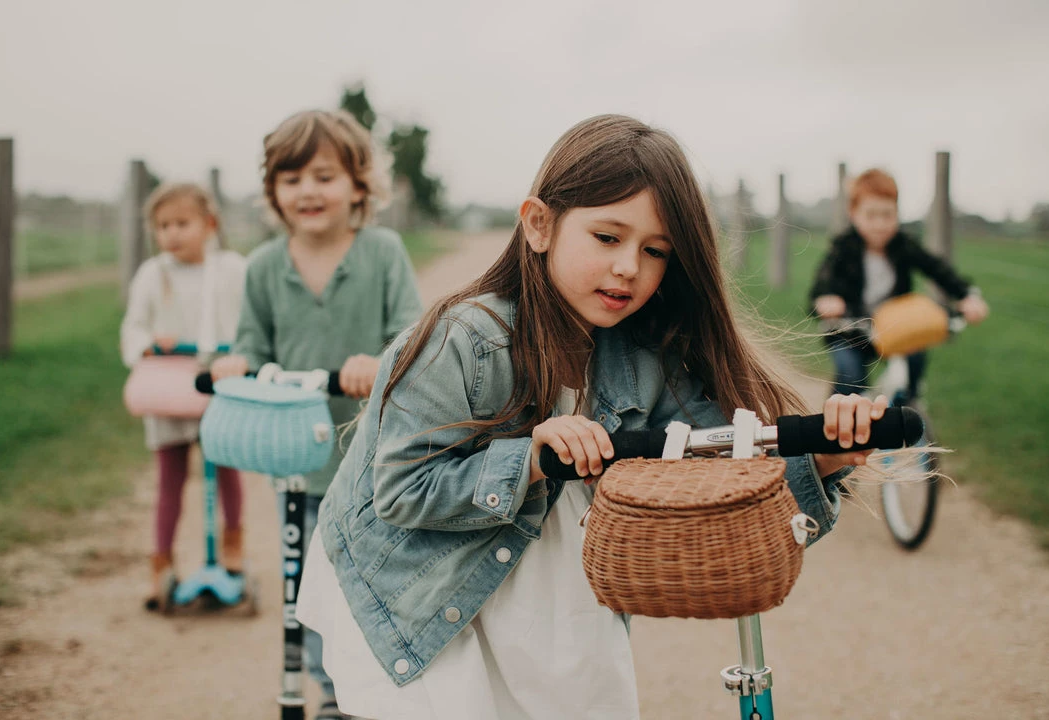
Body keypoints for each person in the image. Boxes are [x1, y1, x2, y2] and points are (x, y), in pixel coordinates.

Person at [295, 114, 885, 720]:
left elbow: (719, 472)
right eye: (608, 238)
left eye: (655, 251)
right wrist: (526, 457)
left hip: (553, 608)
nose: (630, 266)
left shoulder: (649, 355)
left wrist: (822, 458)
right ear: (539, 225)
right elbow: (401, 490)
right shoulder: (465, 340)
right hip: (421, 595)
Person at [210, 109, 423, 719]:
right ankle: (331, 694)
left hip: (372, 462)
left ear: (358, 185)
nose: (308, 190)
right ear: (273, 190)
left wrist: (377, 362)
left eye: (324, 176)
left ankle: (377, 687)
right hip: (298, 463)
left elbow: (411, 339)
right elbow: (252, 345)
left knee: (372, 580)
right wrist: (236, 363)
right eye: (292, 177)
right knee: (304, 586)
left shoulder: (382, 253)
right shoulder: (262, 267)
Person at [120, 182, 248, 611]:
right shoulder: (152, 274)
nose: (172, 233)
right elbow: (133, 328)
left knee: (226, 466)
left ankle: (233, 544)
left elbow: (249, 319)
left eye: (182, 223)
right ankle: (161, 562)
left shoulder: (231, 269)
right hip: (169, 386)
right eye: (163, 226)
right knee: (169, 478)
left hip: (218, 381)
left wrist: (239, 348)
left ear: (209, 225)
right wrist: (151, 341)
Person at [810, 168, 989, 399]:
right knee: (850, 376)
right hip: (850, 329)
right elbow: (823, 282)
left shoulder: (903, 245)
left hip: (894, 327)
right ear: (853, 214)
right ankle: (832, 427)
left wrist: (967, 295)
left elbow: (936, 269)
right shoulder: (843, 247)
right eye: (871, 215)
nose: (880, 224)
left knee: (913, 359)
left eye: (887, 215)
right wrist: (826, 298)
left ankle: (911, 404)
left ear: (897, 213)